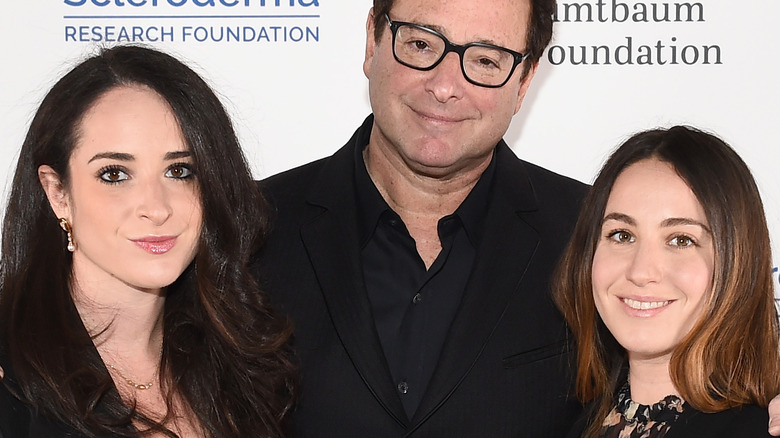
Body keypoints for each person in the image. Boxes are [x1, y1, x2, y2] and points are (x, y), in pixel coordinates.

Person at [254, 0, 588, 435]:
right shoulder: (249, 228)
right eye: (420, 44)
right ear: (373, 40)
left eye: (486, 59)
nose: (445, 86)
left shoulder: (593, 236)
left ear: (524, 82)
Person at [0, 45, 296, 437]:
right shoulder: (11, 380)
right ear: (58, 193)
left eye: (179, 171)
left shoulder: (242, 364)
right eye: (115, 175)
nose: (156, 208)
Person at [553, 126, 780, 437]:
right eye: (622, 235)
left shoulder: (758, 428)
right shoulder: (573, 420)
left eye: (681, 240)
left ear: (737, 262)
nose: (641, 271)